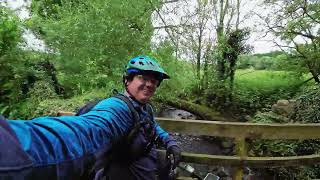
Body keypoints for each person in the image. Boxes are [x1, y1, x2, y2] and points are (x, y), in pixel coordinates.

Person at [0, 55, 181, 180]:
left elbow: (151, 125)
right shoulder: (117, 109)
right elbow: (85, 133)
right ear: (128, 80)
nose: (150, 84)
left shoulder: (144, 107)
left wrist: (169, 141)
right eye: (143, 78)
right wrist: (13, 147)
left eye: (155, 81)